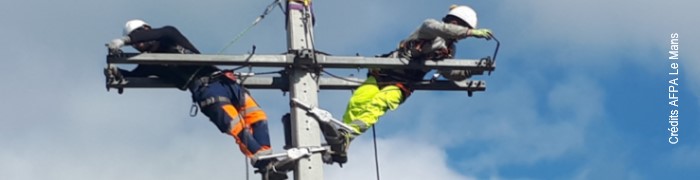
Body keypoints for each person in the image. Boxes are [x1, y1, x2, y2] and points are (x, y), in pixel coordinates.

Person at [106, 20, 283, 178]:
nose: (140, 44)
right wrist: (117, 73)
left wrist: (124, 41)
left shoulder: (170, 36)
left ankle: (268, 159)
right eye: (136, 43)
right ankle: (262, 160)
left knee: (258, 117)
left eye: (140, 38)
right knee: (236, 126)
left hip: (224, 81)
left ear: (147, 29)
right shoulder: (150, 62)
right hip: (206, 90)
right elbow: (133, 76)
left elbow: (157, 34)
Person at [326, 5, 494, 164]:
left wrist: (474, 69)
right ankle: (343, 139)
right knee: (358, 102)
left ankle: (347, 134)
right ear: (454, 22)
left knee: (379, 104)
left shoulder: (448, 50)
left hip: (402, 84)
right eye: (460, 27)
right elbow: (441, 29)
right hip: (381, 74)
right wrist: (470, 32)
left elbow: (450, 73)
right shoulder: (430, 27)